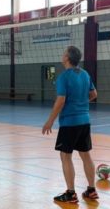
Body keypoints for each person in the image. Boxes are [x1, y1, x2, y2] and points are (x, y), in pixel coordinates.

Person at [42, 46, 98, 203]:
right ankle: (91, 190)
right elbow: (94, 94)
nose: (62, 54)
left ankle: (71, 193)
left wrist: (50, 121)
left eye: (63, 52)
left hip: (69, 122)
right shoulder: (85, 74)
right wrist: (81, 104)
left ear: (67, 58)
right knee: (85, 155)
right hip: (85, 121)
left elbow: (61, 100)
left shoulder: (63, 77)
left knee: (65, 156)